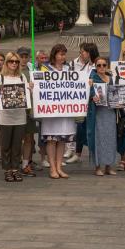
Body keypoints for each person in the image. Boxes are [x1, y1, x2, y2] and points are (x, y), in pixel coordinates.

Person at [39, 44, 76, 180]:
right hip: (51, 111)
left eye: (64, 54)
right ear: (54, 55)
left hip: (65, 110)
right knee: (51, 139)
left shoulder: (68, 69)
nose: (63, 57)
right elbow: (40, 86)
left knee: (62, 140)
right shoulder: (45, 69)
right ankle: (52, 168)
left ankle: (59, 167)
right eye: (61, 54)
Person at [0, 52, 30, 182]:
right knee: (5, 145)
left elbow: (28, 95)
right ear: (6, 63)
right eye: (11, 61)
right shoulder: (0, 78)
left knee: (17, 145)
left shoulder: (22, 77)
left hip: (19, 117)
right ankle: (7, 170)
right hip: (4, 118)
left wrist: (30, 89)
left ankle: (15, 169)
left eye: (16, 61)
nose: (14, 63)